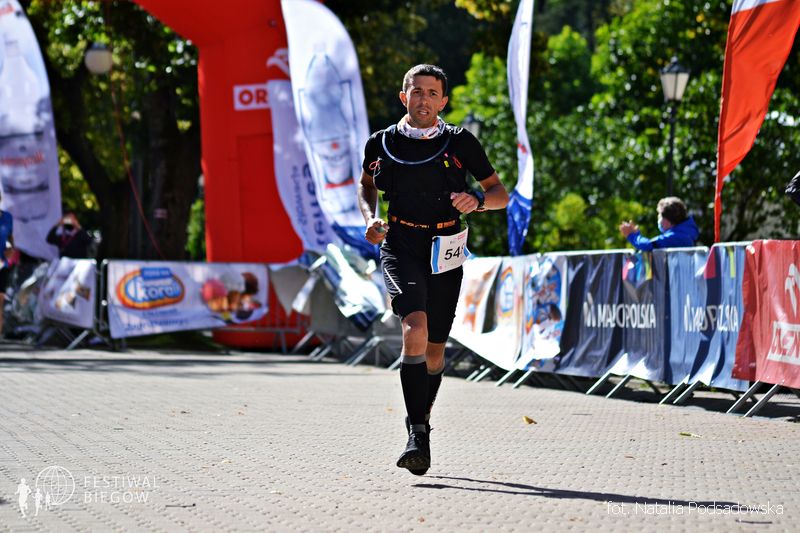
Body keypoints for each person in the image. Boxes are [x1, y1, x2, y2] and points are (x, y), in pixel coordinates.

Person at [358, 64, 509, 475]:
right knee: (415, 328)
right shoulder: (381, 143)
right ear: (403, 96)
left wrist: (478, 201)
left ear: (443, 101)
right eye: (416, 91)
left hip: (446, 247)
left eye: (431, 93)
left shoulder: (460, 141)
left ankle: (420, 422)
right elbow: (367, 185)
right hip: (401, 243)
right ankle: (417, 433)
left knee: (436, 350)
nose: (423, 99)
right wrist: (371, 218)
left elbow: (500, 194)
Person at [619, 196, 699, 252]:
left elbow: (647, 245)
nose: (659, 219)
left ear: (667, 221)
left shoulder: (675, 237)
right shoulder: (687, 233)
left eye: (660, 216)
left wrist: (632, 235)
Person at [0, 194, 15, 337]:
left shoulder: (7, 218)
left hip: (1, 264)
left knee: (0, 301)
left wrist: (11, 249)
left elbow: (11, 239)